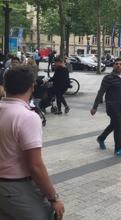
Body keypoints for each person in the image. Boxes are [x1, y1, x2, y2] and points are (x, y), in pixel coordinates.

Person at [0, 65, 65, 220]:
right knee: (45, 214)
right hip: (16, 185)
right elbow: (35, 166)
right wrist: (53, 198)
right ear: (33, 87)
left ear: (5, 85)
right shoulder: (26, 117)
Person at [91, 58, 121, 157]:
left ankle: (101, 138)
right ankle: (118, 149)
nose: (118, 65)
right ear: (113, 66)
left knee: (114, 125)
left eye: (120, 64)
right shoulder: (108, 78)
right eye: (116, 64)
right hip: (111, 106)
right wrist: (95, 107)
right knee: (118, 126)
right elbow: (101, 92)